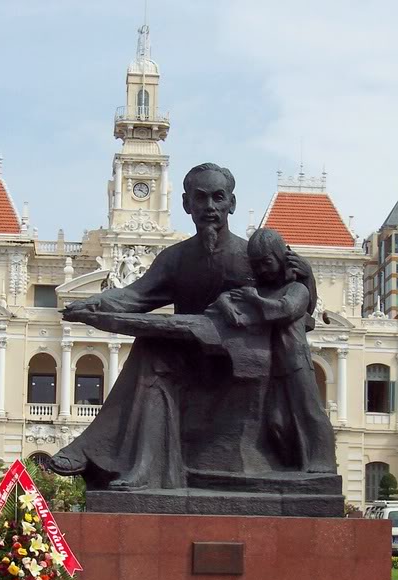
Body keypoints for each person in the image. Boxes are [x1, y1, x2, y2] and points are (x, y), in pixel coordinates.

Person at [50, 163, 255, 489]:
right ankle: (143, 472)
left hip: (238, 367)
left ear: (232, 202)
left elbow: (294, 298)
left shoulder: (250, 256)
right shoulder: (176, 258)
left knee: (156, 350)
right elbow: (136, 295)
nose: (210, 207)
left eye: (218, 197)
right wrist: (96, 303)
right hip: (191, 362)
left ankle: (96, 451)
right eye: (201, 199)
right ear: (187, 205)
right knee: (152, 348)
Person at [228, 227, 337, 473]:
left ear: (280, 257)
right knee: (276, 420)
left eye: (267, 262)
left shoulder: (296, 289)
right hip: (271, 364)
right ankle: (291, 465)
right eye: (258, 265)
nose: (263, 270)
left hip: (295, 360)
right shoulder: (265, 290)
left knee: (310, 411)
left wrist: (254, 299)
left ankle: (323, 462)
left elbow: (285, 310)